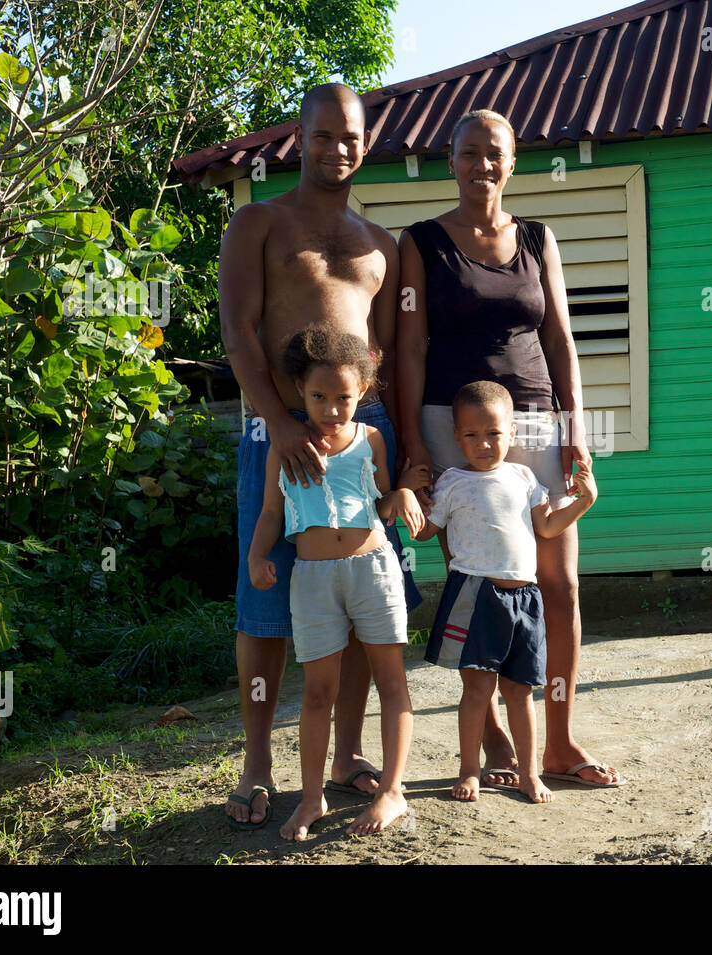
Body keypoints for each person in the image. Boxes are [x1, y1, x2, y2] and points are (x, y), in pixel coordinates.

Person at [219, 81, 426, 830]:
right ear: (297, 140)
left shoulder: (384, 246)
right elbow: (238, 332)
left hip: (365, 431)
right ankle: (256, 765)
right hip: (277, 429)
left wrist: (407, 461)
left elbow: (399, 355)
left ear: (366, 144)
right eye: (324, 135)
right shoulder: (258, 224)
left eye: (352, 136)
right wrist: (277, 420)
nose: (338, 147)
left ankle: (347, 757)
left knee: (369, 597)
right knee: (266, 602)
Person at [397, 108, 623, 788]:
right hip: (450, 424)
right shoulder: (421, 243)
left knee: (557, 583)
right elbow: (408, 346)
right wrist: (414, 442)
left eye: (494, 153)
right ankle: (493, 730)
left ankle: (557, 740)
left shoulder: (537, 238)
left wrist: (576, 431)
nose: (481, 166)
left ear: (512, 162)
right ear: (451, 161)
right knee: (474, 583)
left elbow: (560, 339)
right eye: (469, 153)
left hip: (534, 423)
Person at [248, 329, 423, 838]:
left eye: (344, 397)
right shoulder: (284, 448)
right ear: (300, 391)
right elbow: (269, 513)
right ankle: (311, 798)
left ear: (363, 392)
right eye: (319, 397)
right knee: (317, 693)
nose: (331, 408)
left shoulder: (370, 439)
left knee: (392, 681)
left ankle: (392, 790)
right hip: (313, 580)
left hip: (374, 569)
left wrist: (405, 497)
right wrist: (258, 556)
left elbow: (384, 501)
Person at [415, 382, 597, 803]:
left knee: (520, 692)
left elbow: (548, 527)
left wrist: (585, 501)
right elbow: (426, 532)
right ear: (457, 438)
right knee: (476, 689)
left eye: (494, 433)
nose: (484, 444)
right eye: (472, 435)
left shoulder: (525, 477)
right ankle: (469, 771)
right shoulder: (452, 483)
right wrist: (408, 494)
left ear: (512, 433)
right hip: (474, 596)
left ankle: (531, 773)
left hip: (525, 600)